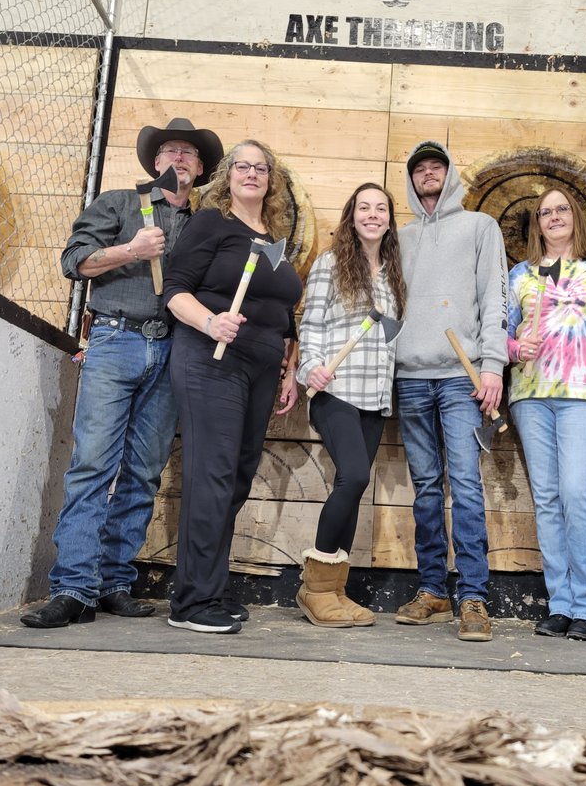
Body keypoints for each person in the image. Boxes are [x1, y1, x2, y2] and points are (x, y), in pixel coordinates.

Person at [21, 118, 222, 629]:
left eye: (190, 154)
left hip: (174, 347)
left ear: (199, 170)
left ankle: (112, 582)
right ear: (155, 162)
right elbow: (74, 262)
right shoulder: (117, 203)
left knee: (143, 472)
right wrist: (131, 251)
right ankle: (73, 589)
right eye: (171, 151)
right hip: (115, 340)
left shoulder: (206, 223)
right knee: (92, 465)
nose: (179, 159)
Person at [163, 139, 303, 634]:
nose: (251, 173)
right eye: (242, 166)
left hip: (261, 367)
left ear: (272, 177)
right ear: (228, 174)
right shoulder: (212, 222)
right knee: (213, 474)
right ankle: (192, 602)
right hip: (210, 359)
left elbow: (282, 311)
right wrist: (209, 323)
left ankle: (209, 586)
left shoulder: (276, 236)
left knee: (238, 477)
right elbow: (175, 290)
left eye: (260, 167)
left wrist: (288, 363)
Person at [394, 140, 508, 642]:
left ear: (451, 171)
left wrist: (493, 366)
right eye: (419, 168)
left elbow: (493, 295)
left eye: (436, 165)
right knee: (423, 487)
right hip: (411, 377)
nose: (428, 173)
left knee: (464, 483)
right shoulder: (400, 236)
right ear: (411, 180)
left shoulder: (479, 227)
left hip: (463, 377)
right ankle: (433, 590)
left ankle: (474, 597)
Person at [295, 183, 406, 627]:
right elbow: (313, 322)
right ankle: (314, 588)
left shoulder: (394, 271)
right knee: (355, 475)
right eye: (364, 207)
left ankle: (335, 591)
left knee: (353, 485)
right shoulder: (330, 263)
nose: (373, 214)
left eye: (381, 208)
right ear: (352, 215)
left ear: (390, 219)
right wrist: (311, 368)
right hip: (336, 389)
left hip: (375, 395)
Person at [507, 188, 586, 642]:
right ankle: (560, 603)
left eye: (561, 209)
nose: (553, 217)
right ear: (537, 224)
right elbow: (502, 334)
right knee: (547, 498)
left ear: (576, 217)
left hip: (583, 391)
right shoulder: (520, 275)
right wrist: (513, 347)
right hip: (530, 392)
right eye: (545, 213)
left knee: (576, 492)